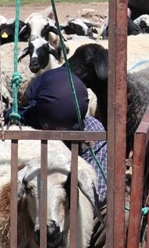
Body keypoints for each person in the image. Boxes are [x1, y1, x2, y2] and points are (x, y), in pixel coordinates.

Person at [20, 67, 108, 206]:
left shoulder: (91, 130)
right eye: (50, 127)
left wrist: (62, 204)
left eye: (69, 128)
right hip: (31, 209)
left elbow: (99, 190)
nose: (59, 134)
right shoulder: (21, 128)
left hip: (78, 208)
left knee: (122, 215)